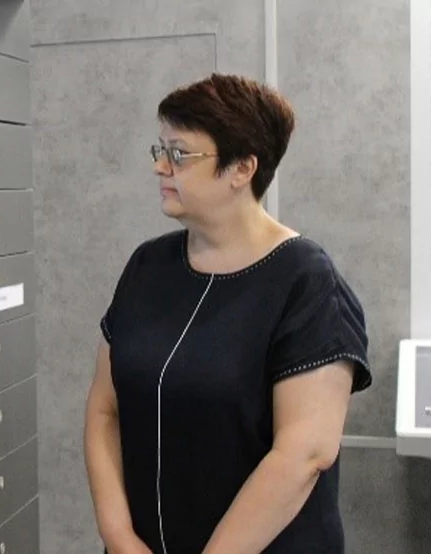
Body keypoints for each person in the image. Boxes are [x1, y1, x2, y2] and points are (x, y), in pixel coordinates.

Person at [84, 74, 372, 554]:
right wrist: (119, 537)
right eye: (160, 150)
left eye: (179, 154)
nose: (159, 166)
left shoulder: (306, 281)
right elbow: (103, 409)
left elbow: (304, 453)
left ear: (242, 168)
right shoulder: (147, 267)